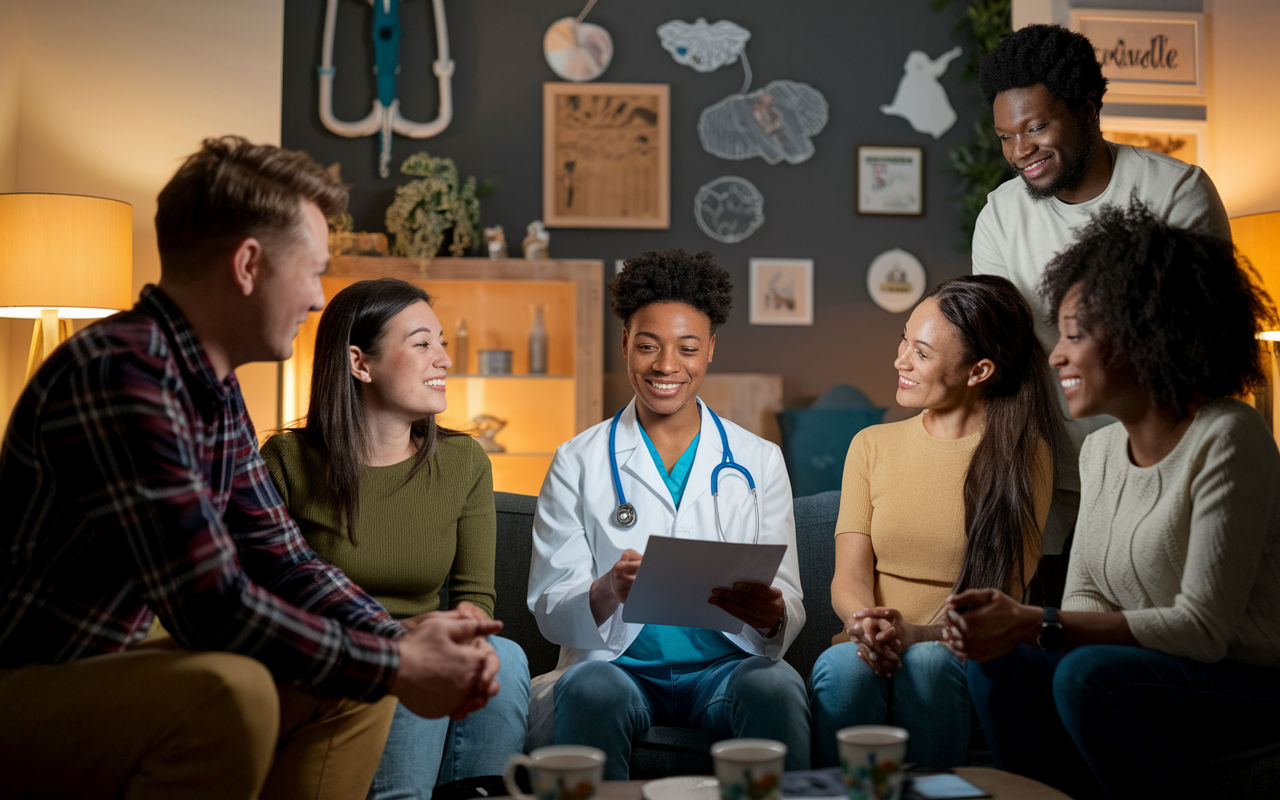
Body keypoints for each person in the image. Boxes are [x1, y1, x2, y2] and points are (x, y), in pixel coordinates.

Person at [0, 137, 501, 800]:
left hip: (117, 668)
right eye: (311, 272)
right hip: (33, 682)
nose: (321, 299)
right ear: (248, 264)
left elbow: (281, 558)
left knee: (356, 683)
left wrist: (393, 639)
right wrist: (399, 657)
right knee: (231, 691)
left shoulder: (214, 386)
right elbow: (211, 605)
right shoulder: (121, 373)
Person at [946, 202, 1280, 800]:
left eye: (1075, 335)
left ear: (1143, 333)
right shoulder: (1101, 452)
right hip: (1145, 673)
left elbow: (1203, 630)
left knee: (1088, 676)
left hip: (1245, 679)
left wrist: (1032, 620)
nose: (1055, 355)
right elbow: (1086, 596)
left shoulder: (1229, 435)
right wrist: (1016, 632)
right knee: (999, 665)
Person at [526, 250, 809, 779]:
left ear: (710, 351)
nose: (666, 366)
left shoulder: (759, 460)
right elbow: (548, 608)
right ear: (626, 346)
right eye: (648, 346)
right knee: (589, 688)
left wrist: (771, 613)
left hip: (727, 670)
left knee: (775, 685)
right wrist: (608, 588)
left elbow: (789, 598)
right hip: (618, 670)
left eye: (687, 348)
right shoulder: (577, 460)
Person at [970, 23, 1232, 572]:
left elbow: (1191, 345)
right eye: (1005, 136)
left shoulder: (1175, 192)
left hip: (1164, 469)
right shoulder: (1000, 215)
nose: (1020, 151)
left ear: (1088, 109)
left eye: (1036, 127)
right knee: (1053, 638)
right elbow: (1001, 352)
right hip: (1052, 479)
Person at [261, 278, 530, 800]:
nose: (444, 360)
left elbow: (476, 600)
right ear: (360, 364)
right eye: (422, 343)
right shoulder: (288, 460)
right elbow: (271, 596)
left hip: (430, 647)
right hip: (339, 660)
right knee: (417, 657)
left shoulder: (463, 461)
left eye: (443, 342)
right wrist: (399, 641)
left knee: (509, 655)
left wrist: (457, 633)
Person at [809, 276, 1058, 769]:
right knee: (844, 668)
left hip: (956, 650)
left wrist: (916, 635)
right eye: (904, 339)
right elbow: (850, 576)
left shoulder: (1024, 458)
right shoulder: (871, 446)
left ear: (978, 370)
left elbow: (1000, 600)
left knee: (925, 665)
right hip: (870, 638)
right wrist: (866, 625)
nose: (900, 359)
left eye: (921, 353)